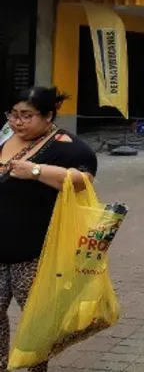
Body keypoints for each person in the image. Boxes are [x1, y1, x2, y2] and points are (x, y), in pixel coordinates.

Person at [1, 87, 99, 372]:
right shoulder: (6, 135)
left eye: (26, 116)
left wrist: (36, 171)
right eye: (13, 114)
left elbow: (84, 180)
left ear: (48, 116)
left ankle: (36, 368)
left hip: (34, 252)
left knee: (36, 320)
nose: (18, 122)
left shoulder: (66, 146)